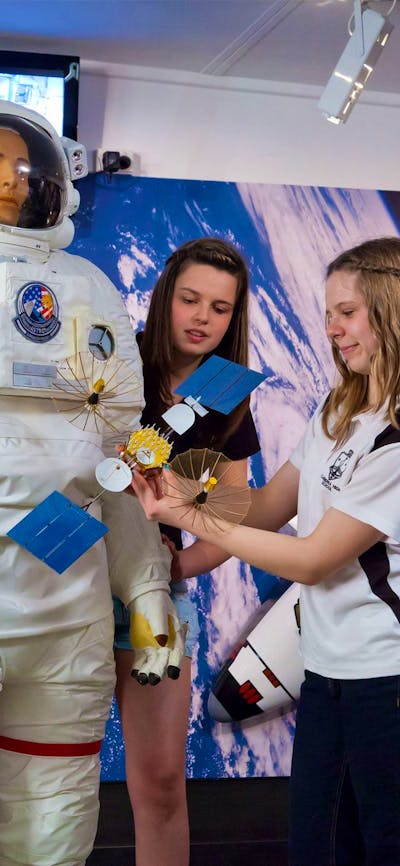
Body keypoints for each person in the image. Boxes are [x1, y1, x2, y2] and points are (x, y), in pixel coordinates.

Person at [131, 236, 400, 866]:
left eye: (347, 312)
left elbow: (310, 558)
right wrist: (181, 490)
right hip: (327, 669)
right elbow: (260, 508)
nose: (331, 328)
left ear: (391, 309)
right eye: (328, 311)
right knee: (318, 846)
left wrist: (182, 515)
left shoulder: (393, 439)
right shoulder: (341, 413)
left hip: (384, 677)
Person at [0, 99, 183, 866]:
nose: (10, 187)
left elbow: (119, 463)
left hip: (65, 598)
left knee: (51, 816)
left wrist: (148, 594)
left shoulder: (88, 286)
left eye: (16, 172)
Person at [113, 237, 260, 866]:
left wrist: (181, 565)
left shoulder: (226, 394)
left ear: (235, 317)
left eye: (220, 308)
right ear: (165, 296)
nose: (202, 317)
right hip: (65, 579)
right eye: (190, 299)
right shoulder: (115, 360)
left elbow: (233, 512)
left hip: (154, 599)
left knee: (163, 785)